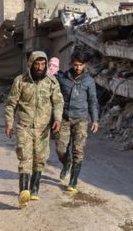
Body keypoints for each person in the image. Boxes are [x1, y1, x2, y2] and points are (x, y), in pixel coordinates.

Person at [5, 51, 63, 208]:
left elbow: (58, 102)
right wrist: (9, 123)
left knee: (40, 158)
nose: (40, 67)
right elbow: (11, 104)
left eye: (43, 64)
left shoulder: (52, 82)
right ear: (31, 64)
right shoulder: (20, 81)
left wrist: (57, 119)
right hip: (24, 127)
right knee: (25, 157)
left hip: (43, 129)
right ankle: (23, 192)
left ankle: (34, 189)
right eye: (37, 64)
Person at [54, 49, 99, 192]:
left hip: (81, 119)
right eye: (75, 64)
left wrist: (95, 119)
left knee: (78, 150)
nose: (78, 68)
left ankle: (73, 181)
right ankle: (66, 163)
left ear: (85, 65)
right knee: (61, 149)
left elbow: (93, 101)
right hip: (65, 118)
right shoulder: (63, 78)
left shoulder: (89, 81)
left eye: (80, 65)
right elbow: (55, 97)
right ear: (71, 64)